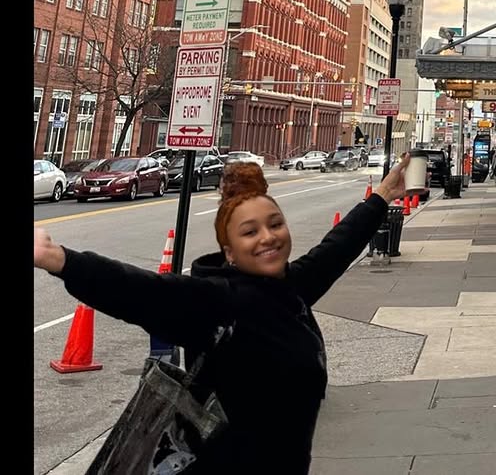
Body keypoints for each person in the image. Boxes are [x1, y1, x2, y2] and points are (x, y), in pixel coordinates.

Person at [33, 154, 411, 473]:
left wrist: (381, 196)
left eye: (275, 224)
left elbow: (335, 249)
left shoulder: (289, 287)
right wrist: (60, 259)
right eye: (249, 232)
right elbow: (140, 291)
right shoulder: (219, 301)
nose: (268, 237)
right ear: (229, 251)